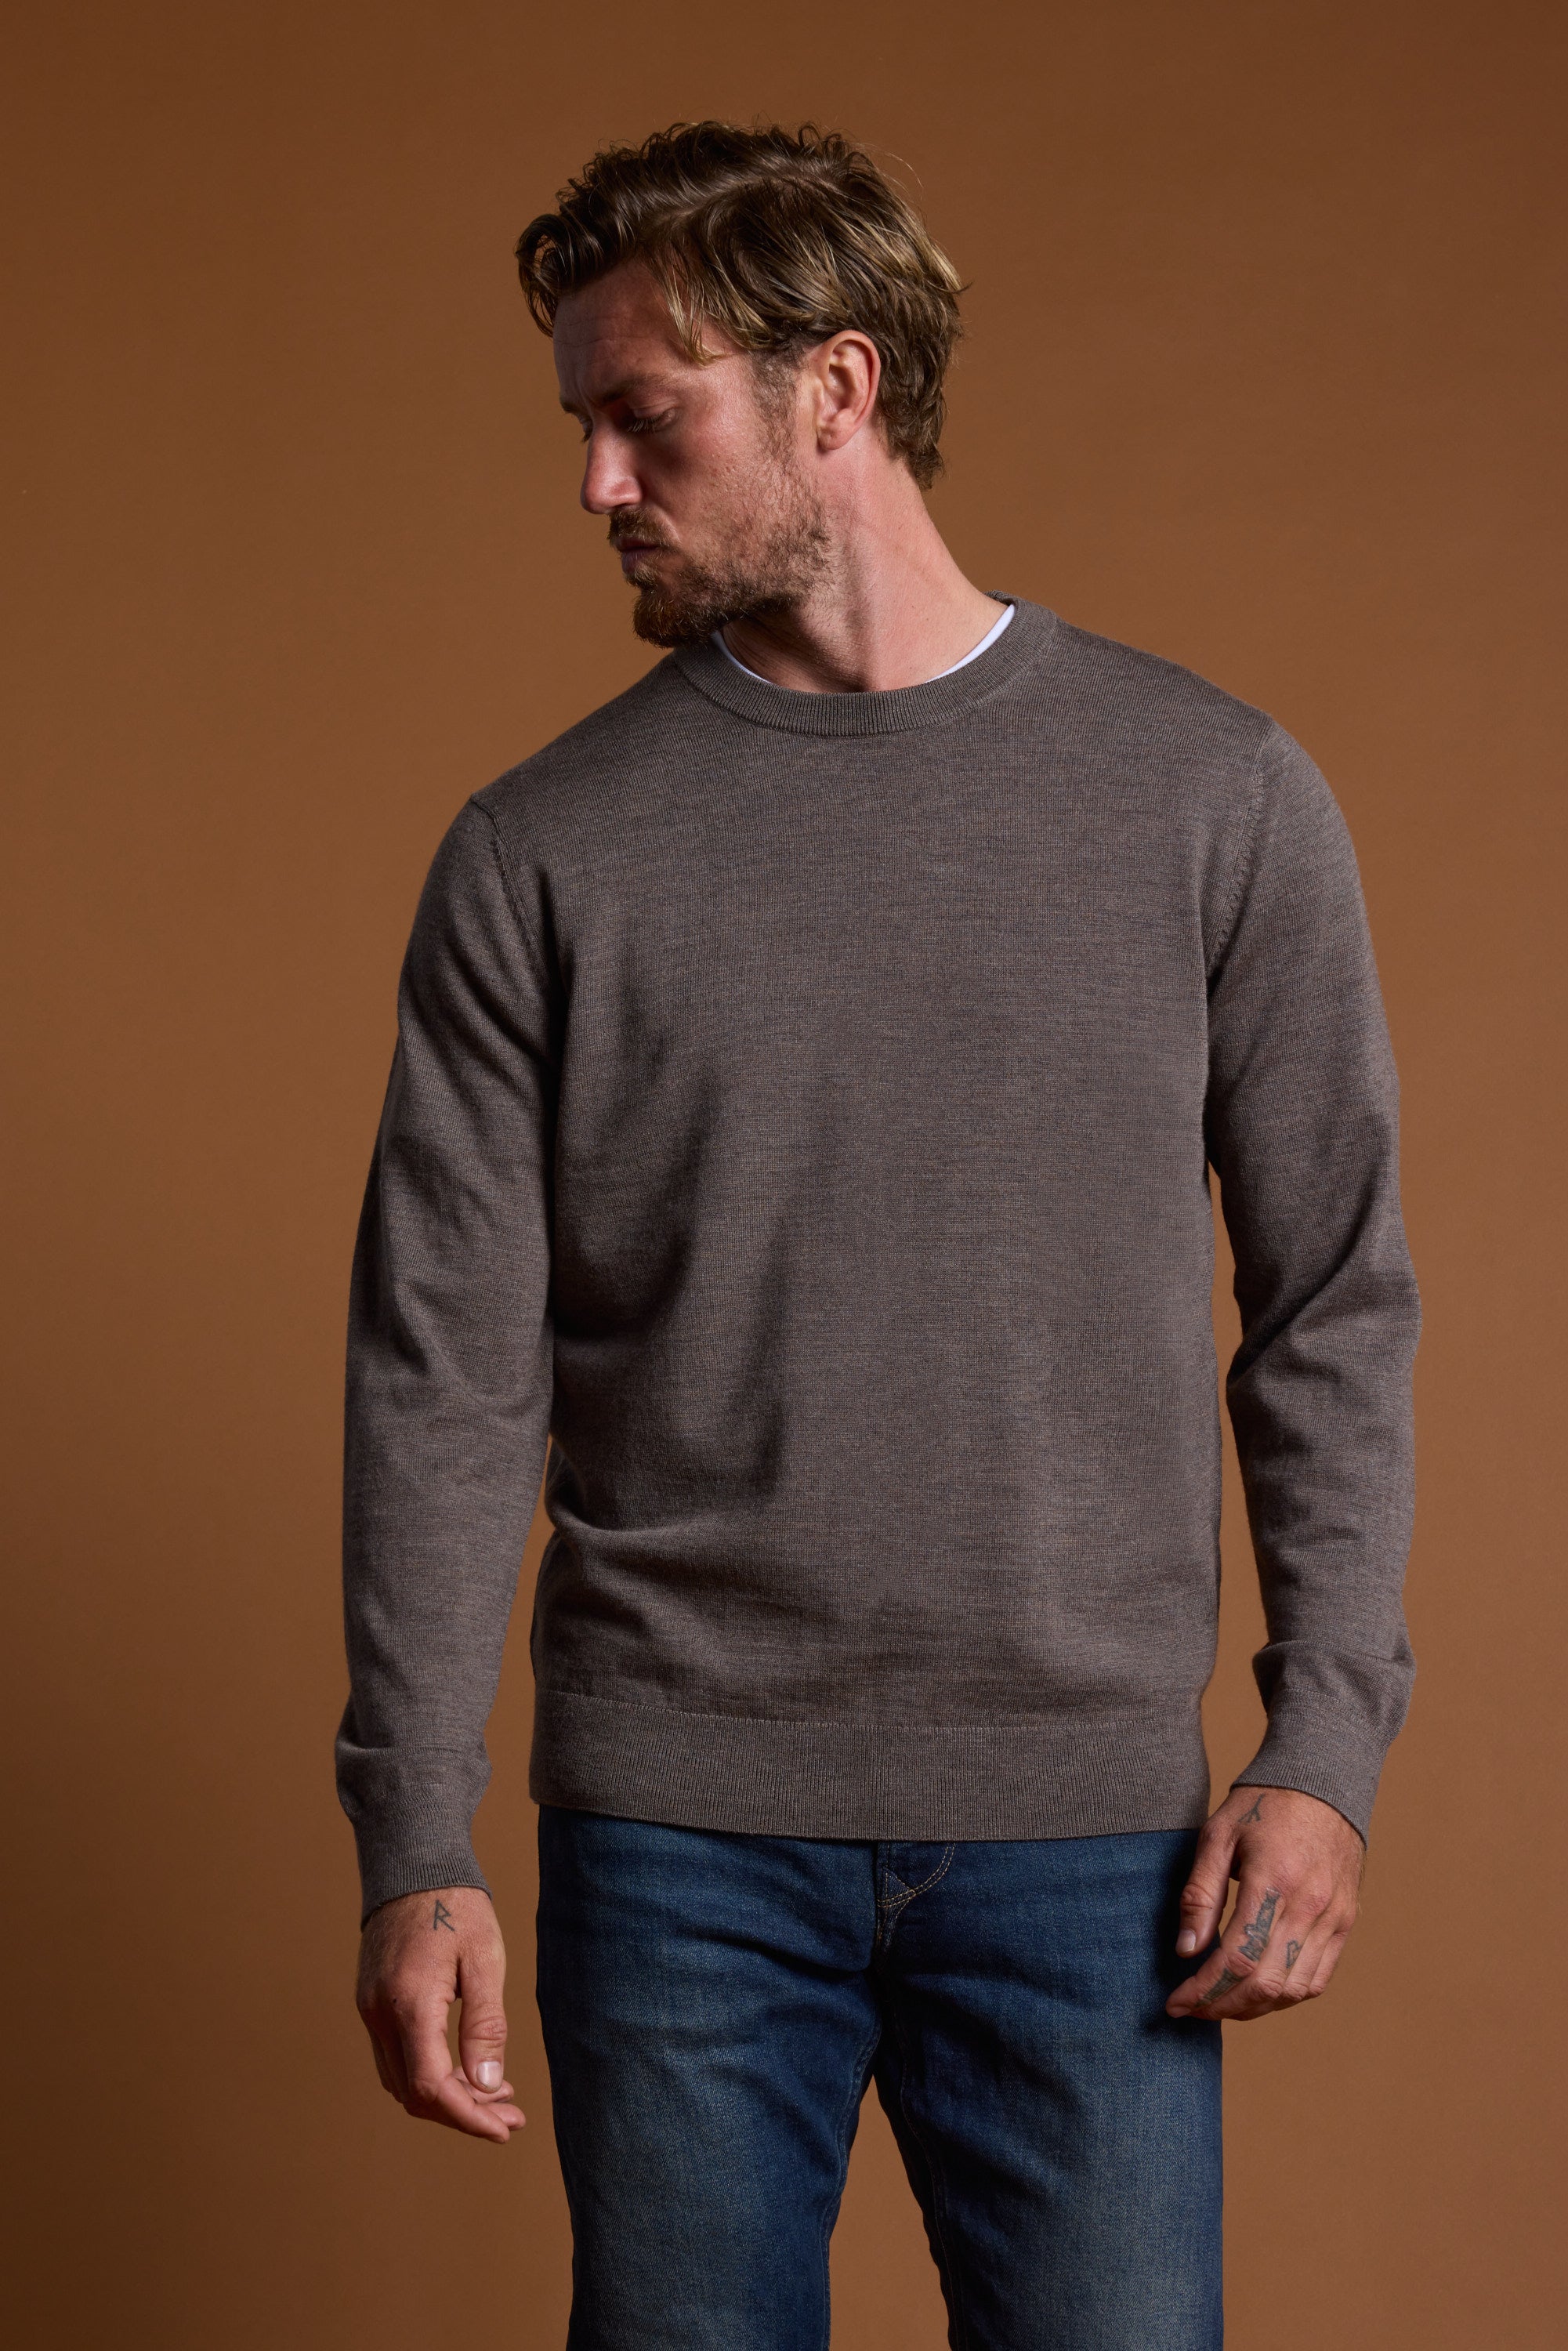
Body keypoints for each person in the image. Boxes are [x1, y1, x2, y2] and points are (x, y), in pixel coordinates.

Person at [338, 121, 1419, 2350]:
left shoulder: (1210, 796)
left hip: (1091, 1847)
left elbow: (1332, 1305)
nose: (596, 482)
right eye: (581, 424)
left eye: (647, 415)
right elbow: (444, 1375)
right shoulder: (542, 855)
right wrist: (417, 1837)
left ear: (834, 388)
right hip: (675, 1841)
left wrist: (1323, 1747)